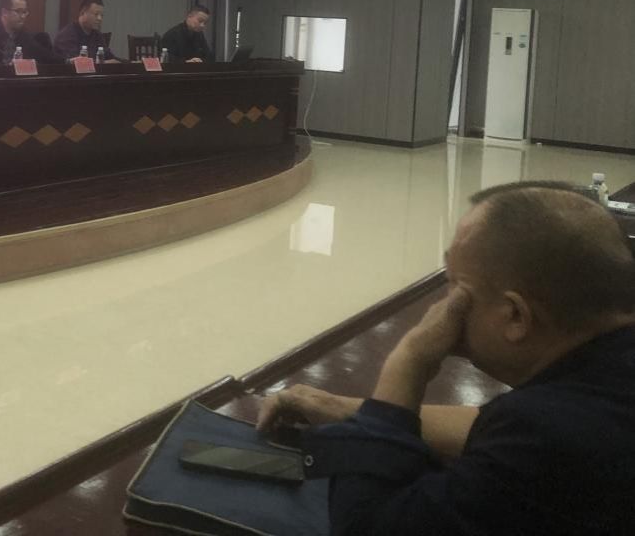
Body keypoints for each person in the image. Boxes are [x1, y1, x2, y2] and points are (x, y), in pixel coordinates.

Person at [257, 180, 635, 536]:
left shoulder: (547, 436)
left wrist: (409, 361)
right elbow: (485, 426)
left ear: (515, 316)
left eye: (456, 288)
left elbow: (366, 526)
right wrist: (345, 410)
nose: (444, 307)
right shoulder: (598, 382)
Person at [0, 0, 58, 65]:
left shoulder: (24, 35)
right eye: (18, 11)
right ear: (4, 12)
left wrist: (66, 61)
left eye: (25, 12)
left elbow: (47, 56)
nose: (23, 16)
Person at [53, 0, 119, 62]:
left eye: (102, 15)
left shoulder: (97, 34)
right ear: (82, 13)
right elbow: (76, 62)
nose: (100, 18)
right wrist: (103, 62)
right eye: (96, 14)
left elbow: (110, 57)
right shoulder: (67, 35)